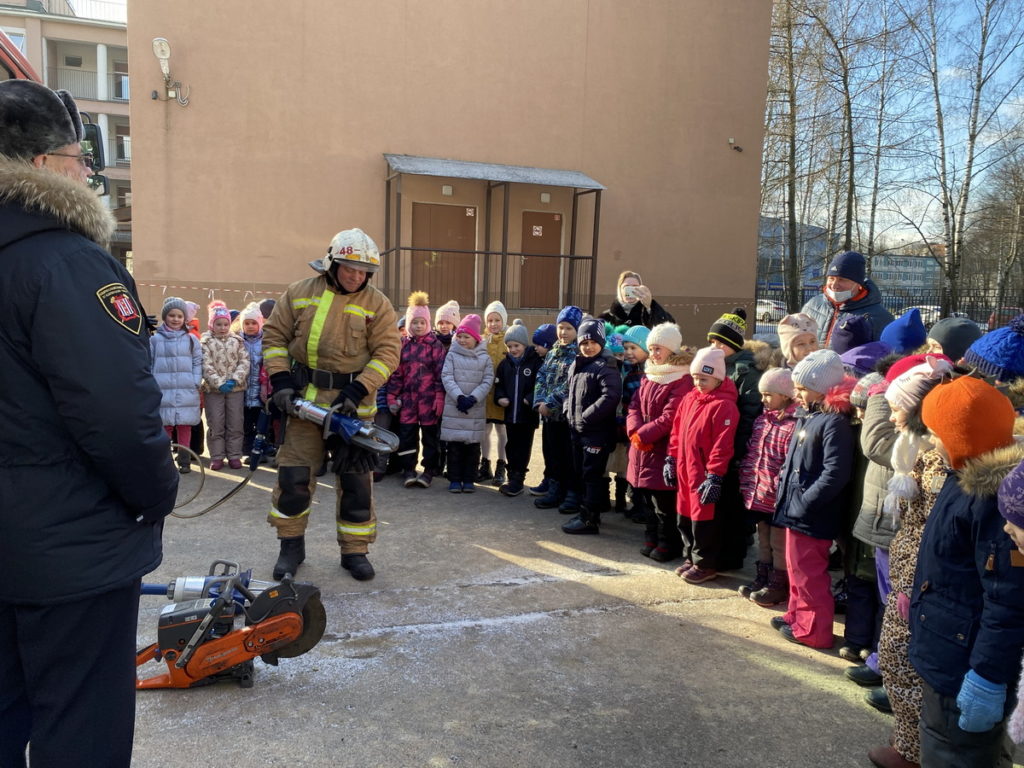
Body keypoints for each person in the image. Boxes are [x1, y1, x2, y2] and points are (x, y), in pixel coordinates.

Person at [0, 79, 179, 768]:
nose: (88, 173)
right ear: (44, 165)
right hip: (68, 552)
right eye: (79, 157)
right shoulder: (70, 262)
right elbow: (114, 410)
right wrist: (155, 494)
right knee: (83, 726)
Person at [262, 227, 401, 582]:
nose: (357, 277)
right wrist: (280, 379)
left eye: (364, 272)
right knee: (294, 479)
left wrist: (358, 390)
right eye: (349, 268)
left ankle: (355, 552)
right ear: (331, 263)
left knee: (356, 484)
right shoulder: (299, 293)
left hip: (352, 411)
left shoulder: (378, 304)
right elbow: (275, 337)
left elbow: (388, 353)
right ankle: (290, 546)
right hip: (303, 406)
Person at [910, 376, 1024, 767]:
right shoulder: (962, 475)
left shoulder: (997, 504)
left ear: (962, 436)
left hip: (966, 662)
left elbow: (1009, 598)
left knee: (955, 752)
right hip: (947, 646)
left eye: (936, 433)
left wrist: (988, 676)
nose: (931, 441)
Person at [866, 357, 951, 768]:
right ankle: (906, 744)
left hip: (920, 584)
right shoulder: (917, 451)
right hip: (906, 578)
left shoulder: (938, 462)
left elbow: (931, 534)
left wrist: (913, 585)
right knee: (897, 662)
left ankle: (916, 752)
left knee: (908, 666)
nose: (892, 415)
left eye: (898, 407)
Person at [772, 349, 857, 649]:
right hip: (795, 509)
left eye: (801, 388)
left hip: (811, 513)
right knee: (796, 569)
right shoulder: (809, 417)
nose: (796, 394)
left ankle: (814, 630)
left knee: (809, 575)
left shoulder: (833, 424)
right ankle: (796, 616)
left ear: (821, 389)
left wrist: (805, 502)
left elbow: (834, 473)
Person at [664, 346, 740, 583]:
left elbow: (722, 444)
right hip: (685, 469)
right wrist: (671, 457)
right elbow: (677, 431)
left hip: (703, 472)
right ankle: (690, 556)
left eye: (704, 378)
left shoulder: (724, 405)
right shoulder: (689, 399)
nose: (699, 383)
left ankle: (705, 562)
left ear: (717, 378)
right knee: (684, 516)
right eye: (696, 377)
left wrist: (715, 475)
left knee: (703, 520)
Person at [626, 322, 692, 561]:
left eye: (658, 349)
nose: (653, 354)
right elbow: (634, 404)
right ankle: (651, 537)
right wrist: (634, 430)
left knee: (663, 502)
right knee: (645, 498)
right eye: (651, 348)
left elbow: (671, 415)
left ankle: (668, 543)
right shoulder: (650, 373)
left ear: (672, 350)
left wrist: (644, 434)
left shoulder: (681, 378)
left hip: (662, 447)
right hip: (641, 446)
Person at [737, 367, 798, 606]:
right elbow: (754, 451)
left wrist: (777, 485)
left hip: (777, 495)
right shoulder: (762, 421)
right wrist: (747, 477)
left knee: (778, 542)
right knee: (763, 537)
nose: (763, 399)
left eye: (768, 394)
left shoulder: (793, 424)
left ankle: (778, 584)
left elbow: (788, 462)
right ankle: (762, 576)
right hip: (758, 491)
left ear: (784, 395)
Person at [561, 319, 622, 535]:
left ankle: (590, 519)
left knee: (592, 475)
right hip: (577, 430)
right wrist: (568, 411)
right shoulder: (577, 365)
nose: (588, 346)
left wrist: (586, 417)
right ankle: (586, 512)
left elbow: (611, 396)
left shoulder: (607, 366)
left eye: (593, 342)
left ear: (601, 342)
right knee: (580, 473)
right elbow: (568, 393)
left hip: (596, 432)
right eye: (584, 342)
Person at [387, 291, 446, 488]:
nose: (418, 326)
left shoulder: (435, 346)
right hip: (408, 401)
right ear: (409, 324)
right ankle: (408, 469)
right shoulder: (403, 346)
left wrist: (439, 397)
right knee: (407, 436)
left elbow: (440, 373)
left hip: (429, 401)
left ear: (428, 323)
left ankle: (429, 470)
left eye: (422, 322)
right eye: (414, 322)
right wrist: (392, 396)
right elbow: (397, 373)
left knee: (430, 438)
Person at [533, 306, 582, 510]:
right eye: (561, 327)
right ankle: (555, 489)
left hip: (566, 417)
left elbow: (570, 384)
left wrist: (551, 403)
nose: (563, 332)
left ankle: (571, 493)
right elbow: (542, 375)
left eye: (569, 328)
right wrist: (540, 400)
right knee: (551, 453)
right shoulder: (553, 351)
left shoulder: (578, 354)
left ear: (577, 331)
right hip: (549, 416)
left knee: (568, 455)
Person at [151, 296, 204, 472]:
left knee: (185, 425)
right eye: (172, 315)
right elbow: (149, 362)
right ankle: (166, 460)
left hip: (186, 388)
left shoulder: (191, 340)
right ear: (165, 316)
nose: (175, 319)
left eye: (179, 316)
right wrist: (152, 383)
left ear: (185, 319)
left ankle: (184, 459)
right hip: (162, 389)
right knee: (165, 425)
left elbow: (198, 361)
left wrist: (196, 380)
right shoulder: (155, 340)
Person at [440, 314, 492, 493]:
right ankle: (454, 479)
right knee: (454, 448)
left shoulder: (485, 358)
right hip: (455, 407)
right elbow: (446, 376)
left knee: (472, 448)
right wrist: (459, 397)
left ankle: (469, 479)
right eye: (459, 336)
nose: (462, 340)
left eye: (466, 337)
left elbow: (487, 380)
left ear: (476, 338)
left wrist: (473, 398)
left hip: (474, 409)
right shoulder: (452, 355)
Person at [801, 250, 895, 348]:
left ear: (858, 284)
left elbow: (885, 356)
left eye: (842, 279)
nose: (834, 285)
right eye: (831, 278)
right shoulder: (813, 305)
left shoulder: (879, 318)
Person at [493, 320, 541, 496]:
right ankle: (512, 474)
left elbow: (540, 384)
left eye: (517, 345)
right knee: (511, 446)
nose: (513, 349)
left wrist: (530, 398)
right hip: (510, 415)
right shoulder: (505, 365)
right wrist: (500, 398)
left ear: (524, 344)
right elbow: (499, 385)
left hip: (527, 416)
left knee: (523, 447)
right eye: (510, 346)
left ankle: (518, 478)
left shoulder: (534, 362)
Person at [201, 300, 250, 470]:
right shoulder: (206, 342)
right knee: (216, 423)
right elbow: (205, 365)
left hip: (235, 389)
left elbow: (244, 361)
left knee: (235, 422)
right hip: (213, 390)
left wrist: (235, 379)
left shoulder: (237, 341)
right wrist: (219, 383)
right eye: (218, 324)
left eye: (225, 324)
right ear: (211, 324)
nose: (222, 327)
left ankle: (235, 455)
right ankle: (217, 456)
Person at [480, 300, 509, 485]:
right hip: (485, 393)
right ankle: (485, 464)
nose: (493, 324)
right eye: (490, 320)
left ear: (504, 321)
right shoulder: (482, 342)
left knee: (502, 431)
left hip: (502, 394)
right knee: (484, 431)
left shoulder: (509, 341)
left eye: (497, 320)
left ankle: (502, 465)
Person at [599, 270, 675, 328]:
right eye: (626, 287)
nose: (631, 290)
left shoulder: (646, 312)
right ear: (620, 290)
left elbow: (668, 326)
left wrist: (650, 306)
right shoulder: (606, 316)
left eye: (635, 286)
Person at [238, 301, 267, 456]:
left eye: (253, 323)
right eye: (247, 323)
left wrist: (264, 386)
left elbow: (266, 365)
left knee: (261, 424)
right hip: (243, 391)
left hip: (260, 391)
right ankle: (248, 451)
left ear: (260, 324)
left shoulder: (265, 342)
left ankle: (261, 451)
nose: (250, 326)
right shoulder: (237, 341)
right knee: (246, 424)